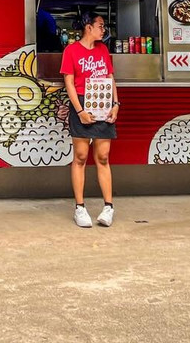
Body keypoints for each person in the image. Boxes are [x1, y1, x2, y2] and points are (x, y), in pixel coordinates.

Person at [60, 13, 119, 228]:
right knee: (81, 156)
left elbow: (111, 77)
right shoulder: (71, 51)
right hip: (82, 104)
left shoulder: (103, 49)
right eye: (101, 26)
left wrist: (116, 104)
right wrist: (80, 110)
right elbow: (69, 83)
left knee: (103, 156)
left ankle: (108, 207)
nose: (104, 30)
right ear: (88, 27)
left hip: (103, 102)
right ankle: (80, 207)